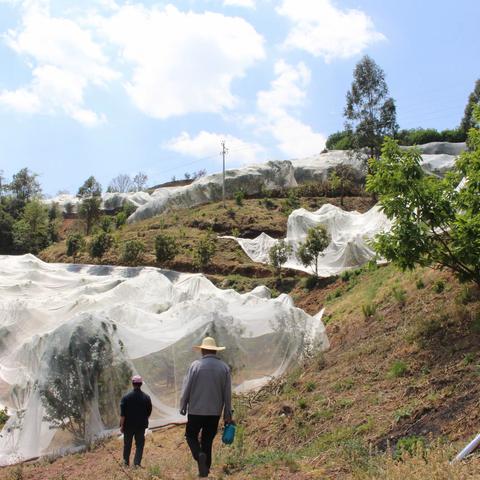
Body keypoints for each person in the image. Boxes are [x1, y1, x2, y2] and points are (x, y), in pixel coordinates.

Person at [180, 336, 233, 478]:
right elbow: (227, 394)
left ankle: (199, 455)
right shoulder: (224, 368)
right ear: (215, 351)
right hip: (214, 412)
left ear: (202, 350)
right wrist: (228, 414)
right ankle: (205, 470)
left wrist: (183, 405)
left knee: (191, 435)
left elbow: (187, 388)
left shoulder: (195, 366)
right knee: (207, 440)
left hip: (196, 411)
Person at [119, 375, 152, 467]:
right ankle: (137, 464)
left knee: (127, 445)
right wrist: (143, 420)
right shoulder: (146, 397)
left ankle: (126, 463)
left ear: (133, 384)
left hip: (128, 426)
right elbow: (148, 412)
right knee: (140, 445)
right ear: (141, 384)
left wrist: (122, 426)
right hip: (141, 426)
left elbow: (123, 415)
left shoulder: (126, 398)